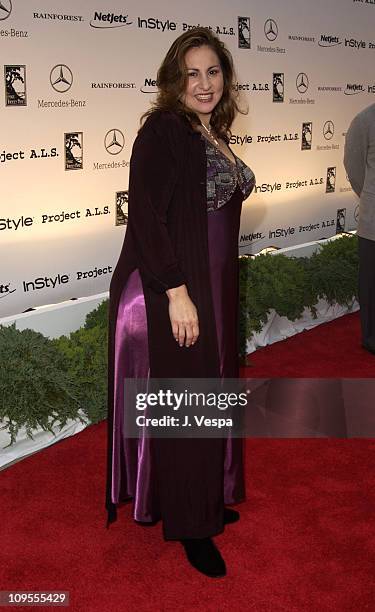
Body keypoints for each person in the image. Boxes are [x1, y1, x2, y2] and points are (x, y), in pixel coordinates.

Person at [105, 27, 255, 578]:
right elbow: (145, 216)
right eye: (192, 72)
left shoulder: (208, 131)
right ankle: (193, 526)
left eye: (213, 71)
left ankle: (202, 498)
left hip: (211, 284)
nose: (204, 82)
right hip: (176, 286)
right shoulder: (163, 130)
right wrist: (176, 292)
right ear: (175, 78)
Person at [344, 103, 375, 354]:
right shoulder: (364, 120)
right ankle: (371, 338)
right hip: (374, 223)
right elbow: (354, 170)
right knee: (371, 284)